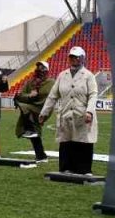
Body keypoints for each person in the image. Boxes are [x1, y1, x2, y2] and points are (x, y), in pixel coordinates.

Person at [38, 46, 99, 175]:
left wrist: (89, 111)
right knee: (66, 141)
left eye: (76, 57)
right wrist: (44, 113)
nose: (73, 59)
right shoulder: (62, 75)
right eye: (71, 57)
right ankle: (66, 168)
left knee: (84, 141)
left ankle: (84, 169)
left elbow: (93, 95)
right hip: (65, 113)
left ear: (82, 58)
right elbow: (53, 96)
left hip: (82, 114)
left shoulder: (89, 76)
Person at [13, 60, 54, 165]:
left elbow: (52, 97)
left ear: (47, 70)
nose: (40, 69)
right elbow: (21, 95)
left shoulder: (51, 83)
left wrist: (37, 94)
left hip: (43, 109)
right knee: (34, 132)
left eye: (42, 67)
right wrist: (30, 95)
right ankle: (41, 155)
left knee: (25, 109)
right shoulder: (30, 82)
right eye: (38, 67)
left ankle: (30, 129)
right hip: (30, 108)